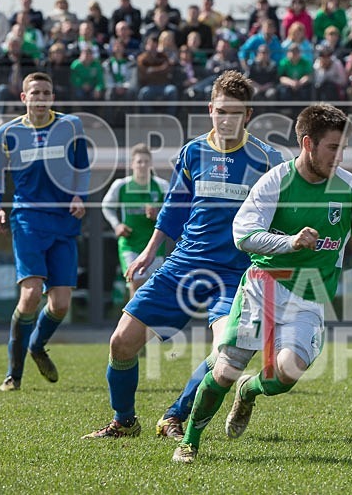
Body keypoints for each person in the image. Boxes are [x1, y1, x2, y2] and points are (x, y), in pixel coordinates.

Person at [172, 103, 352, 463]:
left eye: (343, 148)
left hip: (310, 296)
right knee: (225, 370)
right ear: (308, 144)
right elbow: (243, 235)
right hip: (263, 288)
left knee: (286, 374)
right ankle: (189, 441)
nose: (339, 156)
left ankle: (249, 392)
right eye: (332, 148)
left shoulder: (351, 188)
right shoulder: (276, 181)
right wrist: (289, 242)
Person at [81, 70, 282, 439]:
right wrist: (148, 251)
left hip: (236, 274)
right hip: (184, 263)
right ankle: (124, 421)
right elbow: (174, 210)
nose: (226, 119)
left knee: (226, 354)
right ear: (210, 110)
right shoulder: (193, 152)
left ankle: (174, 415)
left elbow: (282, 216)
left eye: (235, 113)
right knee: (121, 342)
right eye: (220, 111)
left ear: (248, 115)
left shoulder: (269, 160)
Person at [0, 71, 90, 391]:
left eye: (46, 93)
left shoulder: (71, 126)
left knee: (60, 304)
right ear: (24, 98)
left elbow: (82, 166)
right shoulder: (7, 133)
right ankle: (13, 375)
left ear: (52, 98)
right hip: (28, 219)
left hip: (63, 221)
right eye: (35, 93)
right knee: (31, 294)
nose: (41, 98)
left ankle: (36, 345)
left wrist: (80, 196)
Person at [101, 144, 169, 298]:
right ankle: (134, 314)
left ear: (151, 164)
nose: (143, 165)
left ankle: (143, 315)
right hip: (130, 243)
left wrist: (158, 215)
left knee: (152, 289)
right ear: (132, 164)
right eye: (139, 161)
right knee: (136, 283)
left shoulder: (161, 186)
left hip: (154, 245)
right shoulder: (121, 185)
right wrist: (117, 225)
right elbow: (106, 206)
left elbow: (172, 213)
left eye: (146, 161)